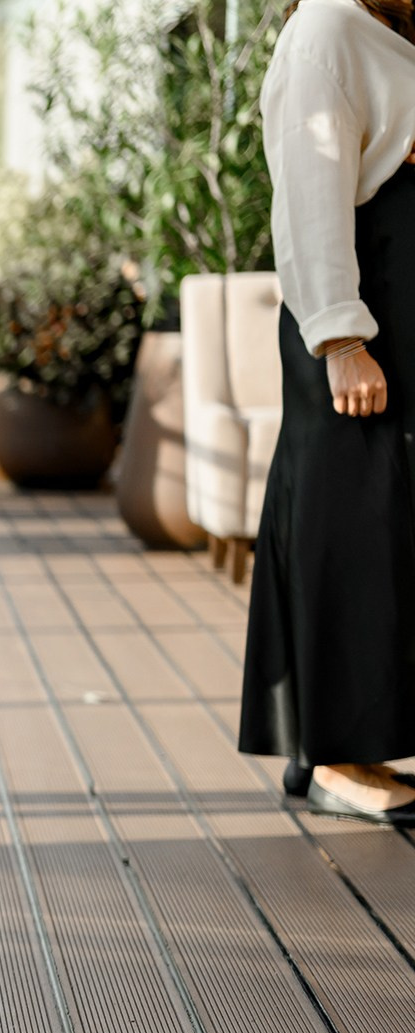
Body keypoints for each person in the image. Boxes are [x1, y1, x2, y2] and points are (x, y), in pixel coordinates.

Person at [237, 0, 415, 824]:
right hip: (360, 312)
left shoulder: (389, 29)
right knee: (349, 523)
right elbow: (309, 195)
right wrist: (341, 337)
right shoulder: (328, 28)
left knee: (386, 526)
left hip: (394, 310)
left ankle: (350, 746)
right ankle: (338, 757)